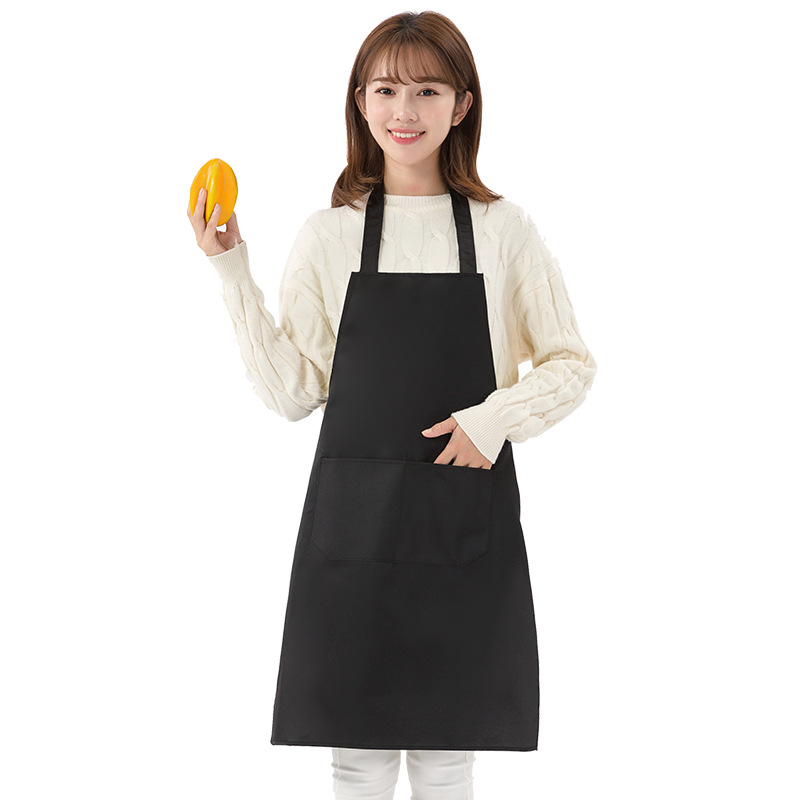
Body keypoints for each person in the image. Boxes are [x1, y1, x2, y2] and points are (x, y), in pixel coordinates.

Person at [187, 10, 597, 800]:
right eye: (384, 90)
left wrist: (491, 421)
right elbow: (293, 393)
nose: (403, 111)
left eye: (427, 91)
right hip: (355, 533)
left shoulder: (504, 231)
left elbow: (571, 364)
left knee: (447, 758)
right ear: (359, 101)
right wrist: (231, 270)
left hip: (462, 522)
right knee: (358, 763)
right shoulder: (328, 236)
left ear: (462, 105)